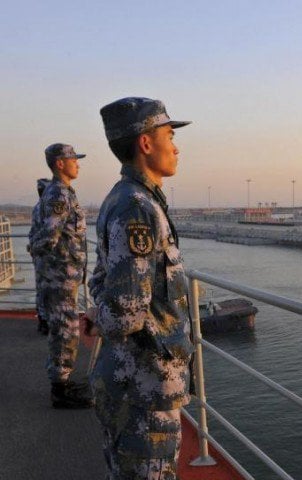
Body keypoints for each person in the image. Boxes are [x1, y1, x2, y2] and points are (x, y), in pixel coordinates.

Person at [88, 97, 194, 479]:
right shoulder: (137, 208)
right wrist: (97, 313)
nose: (176, 146)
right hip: (143, 389)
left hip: (141, 385)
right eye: (169, 134)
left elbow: (103, 279)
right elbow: (124, 314)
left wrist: (97, 309)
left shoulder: (132, 199)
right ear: (145, 144)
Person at [29, 143, 92, 408]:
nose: (77, 163)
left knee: (63, 330)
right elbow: (48, 236)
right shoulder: (59, 195)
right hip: (60, 276)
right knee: (65, 331)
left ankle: (63, 380)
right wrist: (50, 267)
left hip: (62, 274)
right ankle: (60, 390)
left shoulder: (61, 192)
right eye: (73, 159)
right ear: (59, 164)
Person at [27, 178, 51, 335]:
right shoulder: (46, 209)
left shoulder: (36, 208)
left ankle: (42, 321)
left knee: (40, 288)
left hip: (38, 255)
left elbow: (32, 233)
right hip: (47, 256)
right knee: (48, 289)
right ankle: (46, 321)